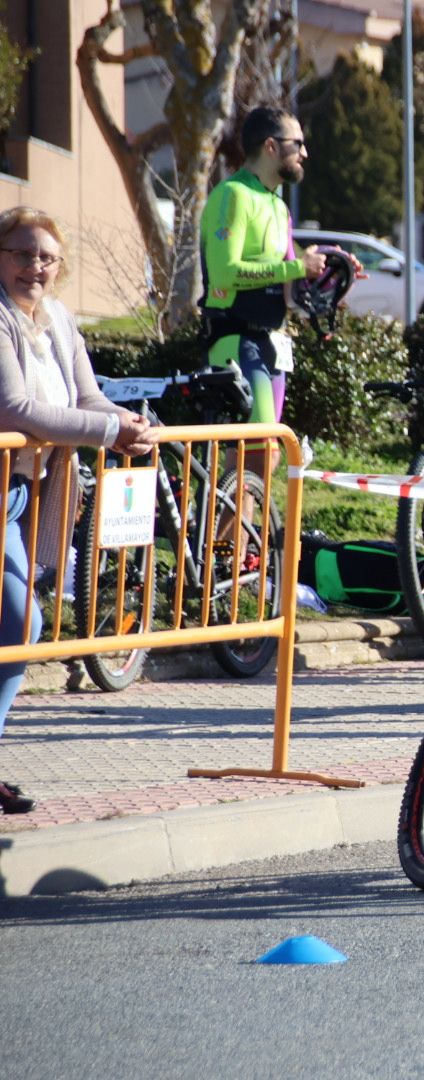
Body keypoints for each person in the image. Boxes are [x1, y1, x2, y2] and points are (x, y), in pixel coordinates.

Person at [0, 207, 156, 814]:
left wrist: (129, 423)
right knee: (20, 622)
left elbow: (87, 396)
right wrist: (107, 432)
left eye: (44, 257)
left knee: (21, 625)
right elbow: (16, 410)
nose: (32, 267)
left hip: (26, 494)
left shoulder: (60, 320)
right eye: (19, 253)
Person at [199, 106, 357, 483]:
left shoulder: (278, 205)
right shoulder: (233, 195)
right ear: (271, 146)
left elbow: (292, 286)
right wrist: (297, 267)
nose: (305, 153)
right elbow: (225, 272)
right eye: (297, 144)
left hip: (270, 341)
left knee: (262, 462)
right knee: (258, 454)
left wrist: (333, 276)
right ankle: (224, 542)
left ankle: (243, 543)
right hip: (233, 338)